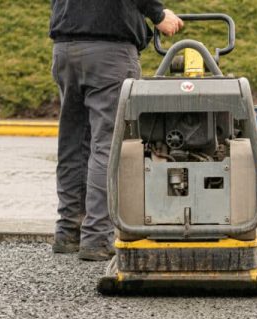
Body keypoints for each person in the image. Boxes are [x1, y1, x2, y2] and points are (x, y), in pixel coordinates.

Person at [49, 1, 184, 261]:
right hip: (109, 51)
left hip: (65, 48)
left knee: (73, 143)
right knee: (106, 144)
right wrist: (158, 15)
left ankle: (68, 231)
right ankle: (97, 237)